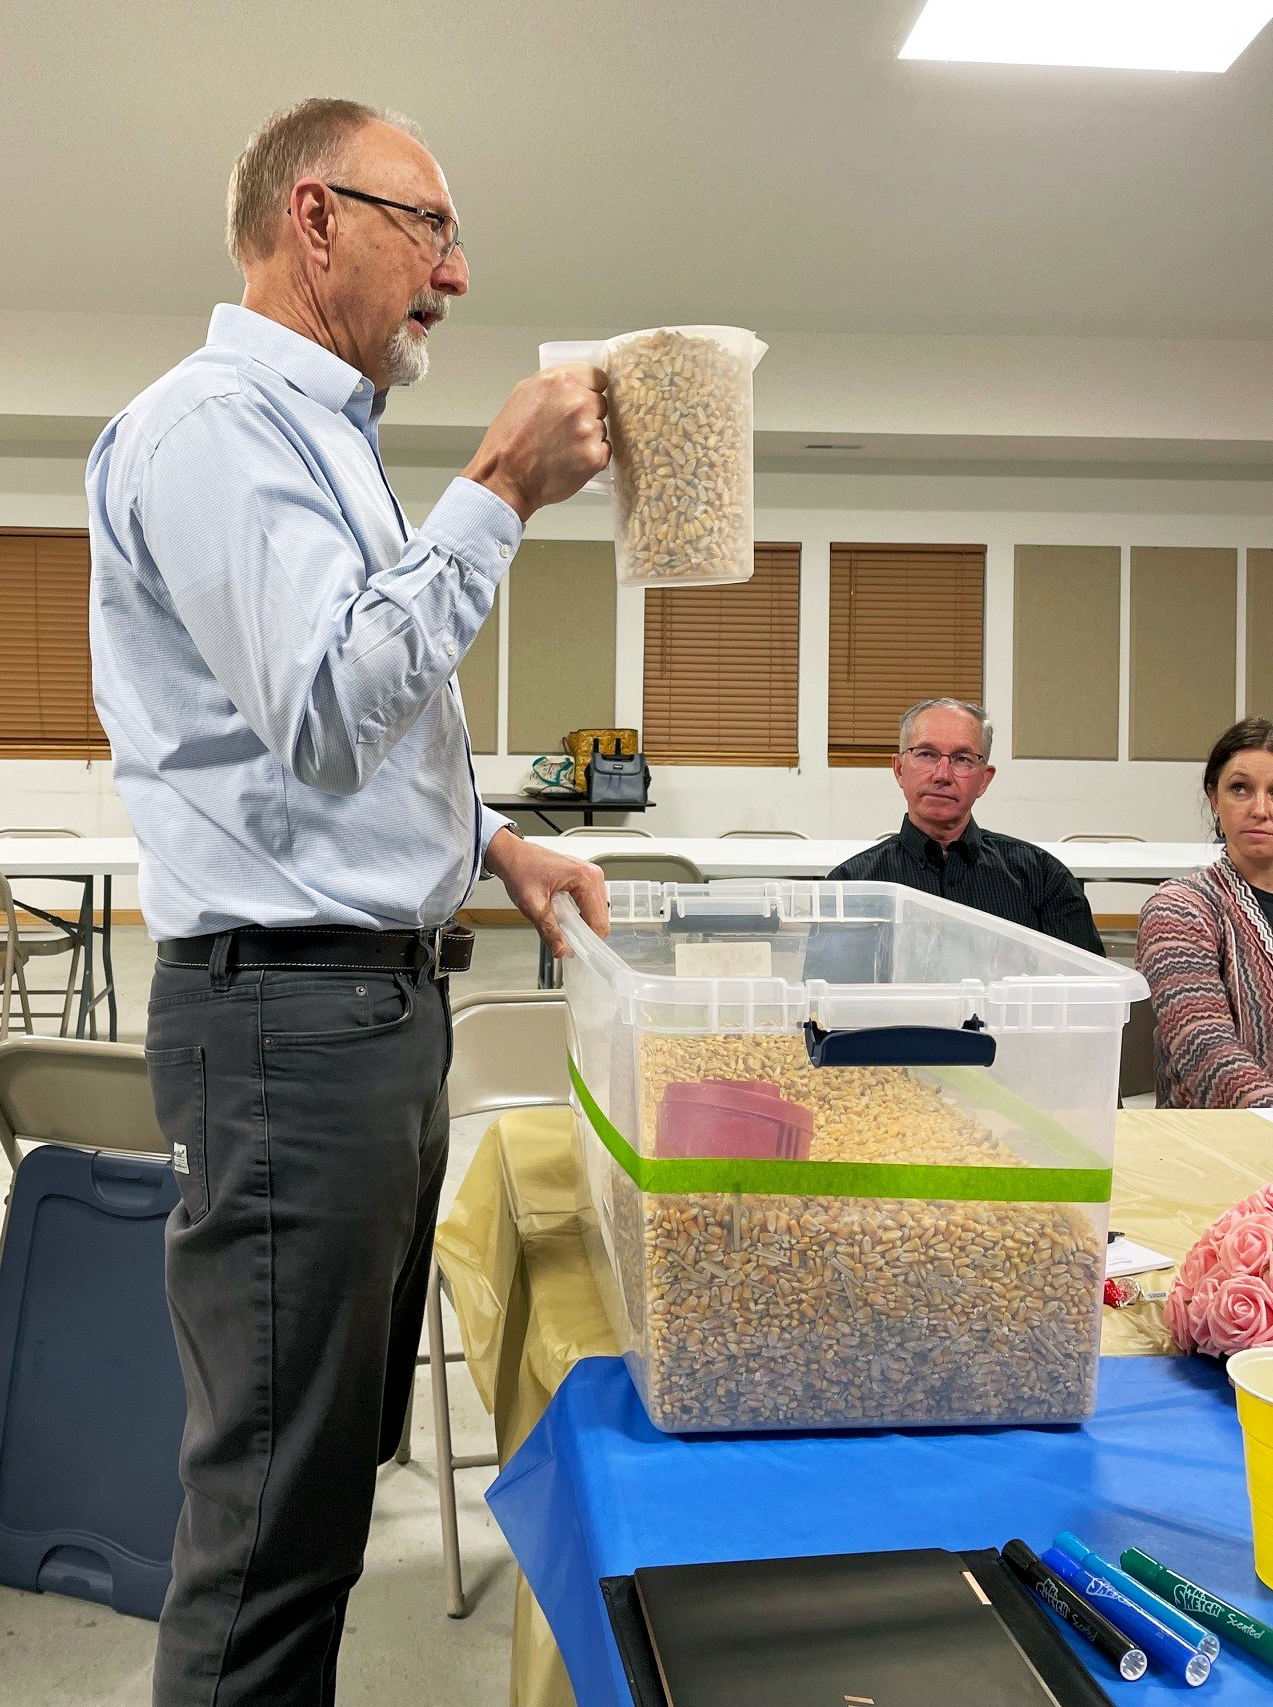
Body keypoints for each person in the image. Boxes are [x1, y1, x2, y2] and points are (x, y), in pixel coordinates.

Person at [87, 98, 609, 1707]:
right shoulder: (213, 429)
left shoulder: (321, 442)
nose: (454, 270)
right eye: (428, 227)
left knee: (312, 1500)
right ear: (317, 219)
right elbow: (322, 704)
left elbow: (345, 759)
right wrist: (499, 492)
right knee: (266, 1535)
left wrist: (491, 847)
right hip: (289, 1029)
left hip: (357, 1013)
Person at [826, 698, 1104, 953]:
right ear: (899, 769)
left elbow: (1092, 994)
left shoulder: (1042, 879)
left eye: (962, 759)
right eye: (926, 754)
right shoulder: (851, 885)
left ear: (984, 779)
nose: (942, 775)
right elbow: (826, 999)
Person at [1137, 718, 1273, 1109]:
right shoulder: (1179, 908)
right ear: (1214, 798)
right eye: (1240, 789)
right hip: (1217, 1144)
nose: (1260, 809)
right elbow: (1203, 1045)